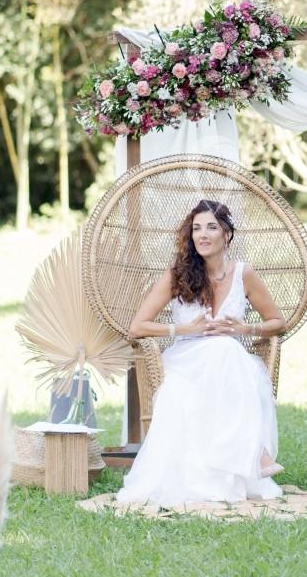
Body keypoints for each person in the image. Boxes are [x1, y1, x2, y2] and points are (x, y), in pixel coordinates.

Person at [115, 199, 288, 506]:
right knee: (223, 351)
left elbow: (278, 322)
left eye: (211, 227)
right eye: (196, 228)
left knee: (226, 348)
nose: (202, 235)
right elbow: (137, 326)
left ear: (227, 234)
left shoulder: (243, 274)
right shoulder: (177, 275)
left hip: (230, 364)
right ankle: (254, 453)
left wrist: (244, 329)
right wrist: (183, 330)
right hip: (185, 360)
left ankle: (244, 457)